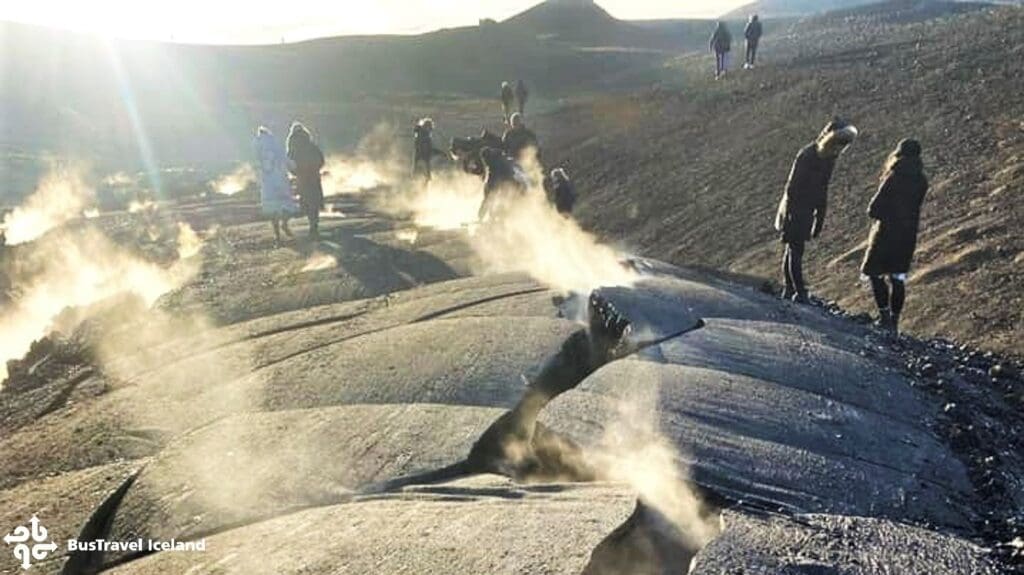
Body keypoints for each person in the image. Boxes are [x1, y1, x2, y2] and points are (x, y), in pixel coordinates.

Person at [774, 118, 859, 303]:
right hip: (795, 208)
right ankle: (799, 292)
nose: (840, 149)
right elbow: (792, 187)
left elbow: (823, 189)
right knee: (796, 249)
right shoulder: (806, 155)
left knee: (793, 249)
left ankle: (789, 289)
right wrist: (791, 213)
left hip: (806, 209)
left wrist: (819, 218)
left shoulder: (829, 158)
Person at [860, 139, 928, 334]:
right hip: (907, 237)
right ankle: (895, 323)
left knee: (874, 273)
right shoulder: (922, 181)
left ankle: (884, 317)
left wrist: (885, 216)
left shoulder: (893, 176)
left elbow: (873, 209)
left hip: (885, 235)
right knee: (898, 277)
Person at [254, 126, 297, 247]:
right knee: (286, 206)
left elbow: (257, 167)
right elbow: (285, 159)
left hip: (268, 184)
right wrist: (293, 167)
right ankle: (285, 224)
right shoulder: (275, 145)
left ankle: (277, 235)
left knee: (272, 211)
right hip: (280, 180)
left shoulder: (257, 148)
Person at [286, 122, 326, 240]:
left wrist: (295, 173)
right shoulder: (311, 145)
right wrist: (316, 169)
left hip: (302, 178)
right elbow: (321, 160)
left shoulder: (292, 146)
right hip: (314, 177)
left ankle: (310, 226)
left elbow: (289, 163)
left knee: (306, 202)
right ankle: (314, 227)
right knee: (315, 202)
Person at [478, 147, 527, 221]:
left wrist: (481, 215)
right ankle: (502, 217)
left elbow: (489, 191)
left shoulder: (493, 164)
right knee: (505, 201)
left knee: (492, 199)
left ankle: (494, 217)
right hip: (514, 183)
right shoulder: (502, 159)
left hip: (507, 184)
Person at [412, 118, 445, 183]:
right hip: (422, 161)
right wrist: (440, 153)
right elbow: (427, 150)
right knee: (423, 180)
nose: (431, 129)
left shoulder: (420, 135)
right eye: (430, 127)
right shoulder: (424, 136)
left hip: (420, 161)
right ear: (427, 127)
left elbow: (427, 149)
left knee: (421, 180)